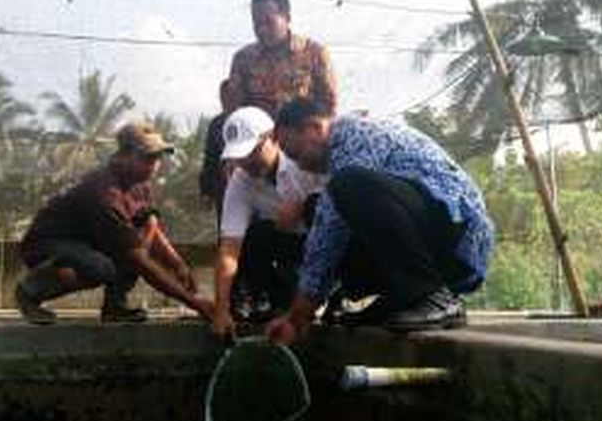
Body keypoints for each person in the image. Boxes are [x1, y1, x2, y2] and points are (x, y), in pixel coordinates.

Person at [265, 98, 495, 345]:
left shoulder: (357, 135)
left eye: (296, 153)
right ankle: (402, 296)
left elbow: (330, 231)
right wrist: (296, 319)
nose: (300, 165)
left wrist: (300, 313)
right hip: (430, 238)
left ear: (314, 127)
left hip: (458, 241)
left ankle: (432, 297)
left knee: (346, 188)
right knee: (326, 209)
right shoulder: (340, 156)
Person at [16, 121, 214, 325]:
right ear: (123, 156)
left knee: (141, 232)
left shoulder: (139, 183)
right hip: (47, 243)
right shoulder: (105, 194)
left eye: (157, 158)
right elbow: (141, 263)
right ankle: (29, 291)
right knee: (101, 267)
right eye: (147, 158)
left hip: (90, 241)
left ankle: (115, 308)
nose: (154, 165)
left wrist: (177, 264)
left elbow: (149, 226)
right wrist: (196, 304)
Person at [212, 106, 326, 339]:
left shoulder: (303, 158)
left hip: (324, 246)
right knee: (256, 235)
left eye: (252, 151)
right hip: (289, 252)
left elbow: (337, 205)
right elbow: (229, 251)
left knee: (318, 206)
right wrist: (221, 309)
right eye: (239, 156)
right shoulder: (240, 181)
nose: (246, 162)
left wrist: (304, 206)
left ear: (273, 138)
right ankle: (271, 301)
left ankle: (332, 295)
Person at [226, 0, 337, 119]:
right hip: (258, 134)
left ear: (287, 18)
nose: (262, 30)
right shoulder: (243, 59)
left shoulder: (314, 53)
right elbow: (234, 110)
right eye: (257, 23)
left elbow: (329, 106)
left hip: (301, 133)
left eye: (269, 22)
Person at [199, 79, 233, 222]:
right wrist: (206, 191)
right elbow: (210, 158)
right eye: (223, 96)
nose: (226, 100)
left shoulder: (249, 120)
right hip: (222, 188)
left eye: (230, 95)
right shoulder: (217, 124)